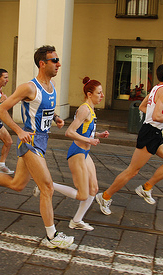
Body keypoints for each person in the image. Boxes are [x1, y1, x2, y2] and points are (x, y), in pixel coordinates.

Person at [0, 45, 75, 249]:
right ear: (42, 63)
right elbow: (2, 110)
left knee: (17, 184)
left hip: (42, 141)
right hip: (30, 142)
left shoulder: (52, 85)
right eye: (54, 60)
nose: (58, 63)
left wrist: (55, 117)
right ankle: (52, 236)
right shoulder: (29, 87)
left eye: (57, 60)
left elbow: (45, 110)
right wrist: (19, 131)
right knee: (47, 187)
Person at [96, 64, 163, 215]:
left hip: (155, 133)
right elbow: (156, 116)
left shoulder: (156, 89)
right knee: (132, 171)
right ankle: (104, 197)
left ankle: (146, 188)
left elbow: (142, 107)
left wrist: (158, 118)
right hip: (150, 133)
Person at [33, 77, 109, 231]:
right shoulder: (85, 109)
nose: (101, 96)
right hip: (77, 153)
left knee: (93, 190)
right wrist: (90, 140)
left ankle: (76, 221)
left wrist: (98, 135)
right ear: (89, 94)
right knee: (82, 194)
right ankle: (46, 186)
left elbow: (85, 130)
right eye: (99, 93)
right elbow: (70, 132)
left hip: (85, 154)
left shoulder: (91, 109)